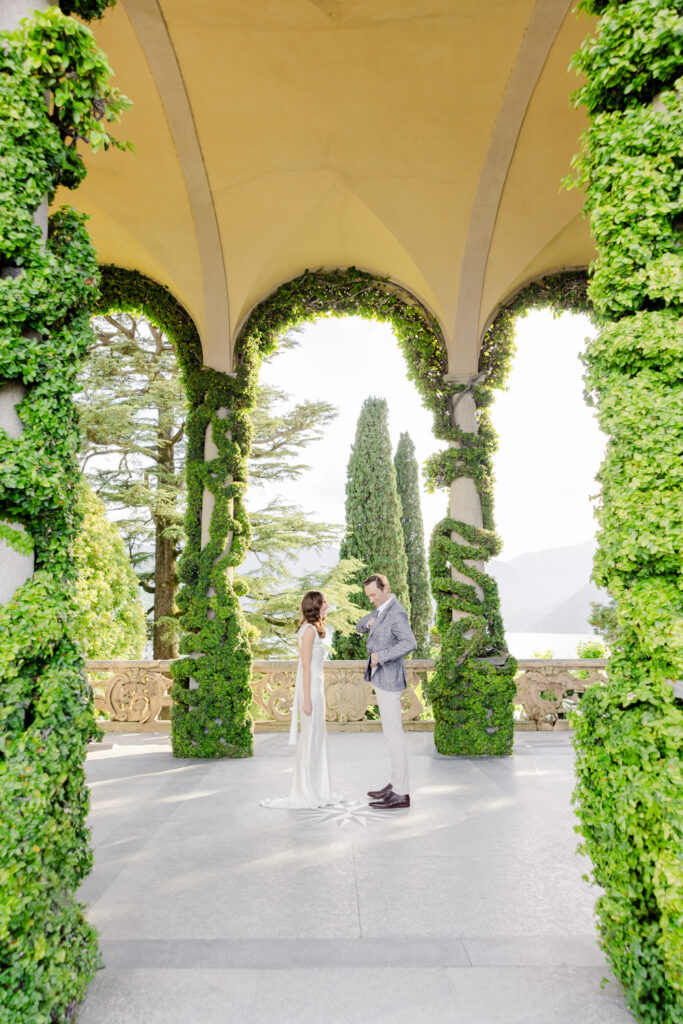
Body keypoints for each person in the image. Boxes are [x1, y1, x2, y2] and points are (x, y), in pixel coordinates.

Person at [260, 590, 337, 809]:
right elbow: (304, 665)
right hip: (310, 690)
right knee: (311, 738)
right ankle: (307, 791)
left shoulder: (309, 629)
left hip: (314, 688)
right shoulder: (310, 630)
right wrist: (306, 699)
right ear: (315, 606)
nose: (327, 607)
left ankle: (315, 787)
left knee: (315, 737)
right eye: (324, 603)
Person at [356, 573, 416, 809]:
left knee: (394, 737)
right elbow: (361, 626)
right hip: (381, 679)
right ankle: (394, 783)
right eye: (368, 595)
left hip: (390, 679)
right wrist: (370, 622)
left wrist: (381, 656)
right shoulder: (381, 610)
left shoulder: (396, 612)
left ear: (385, 588)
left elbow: (409, 643)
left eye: (373, 594)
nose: (371, 599)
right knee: (390, 736)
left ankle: (402, 793)